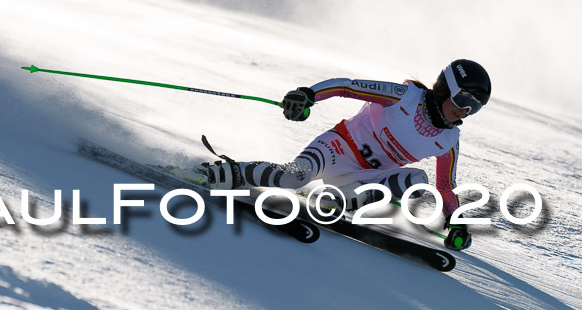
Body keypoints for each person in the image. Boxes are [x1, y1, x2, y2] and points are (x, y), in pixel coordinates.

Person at [206, 59, 492, 251]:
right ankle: (228, 173)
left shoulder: (448, 140)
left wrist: (456, 220)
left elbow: (444, 186)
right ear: (445, 89)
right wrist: (307, 95)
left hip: (363, 179)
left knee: (417, 179)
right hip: (337, 149)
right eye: (463, 99)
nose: (465, 110)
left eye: (474, 107)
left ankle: (337, 201)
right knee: (293, 177)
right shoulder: (404, 96)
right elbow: (348, 86)